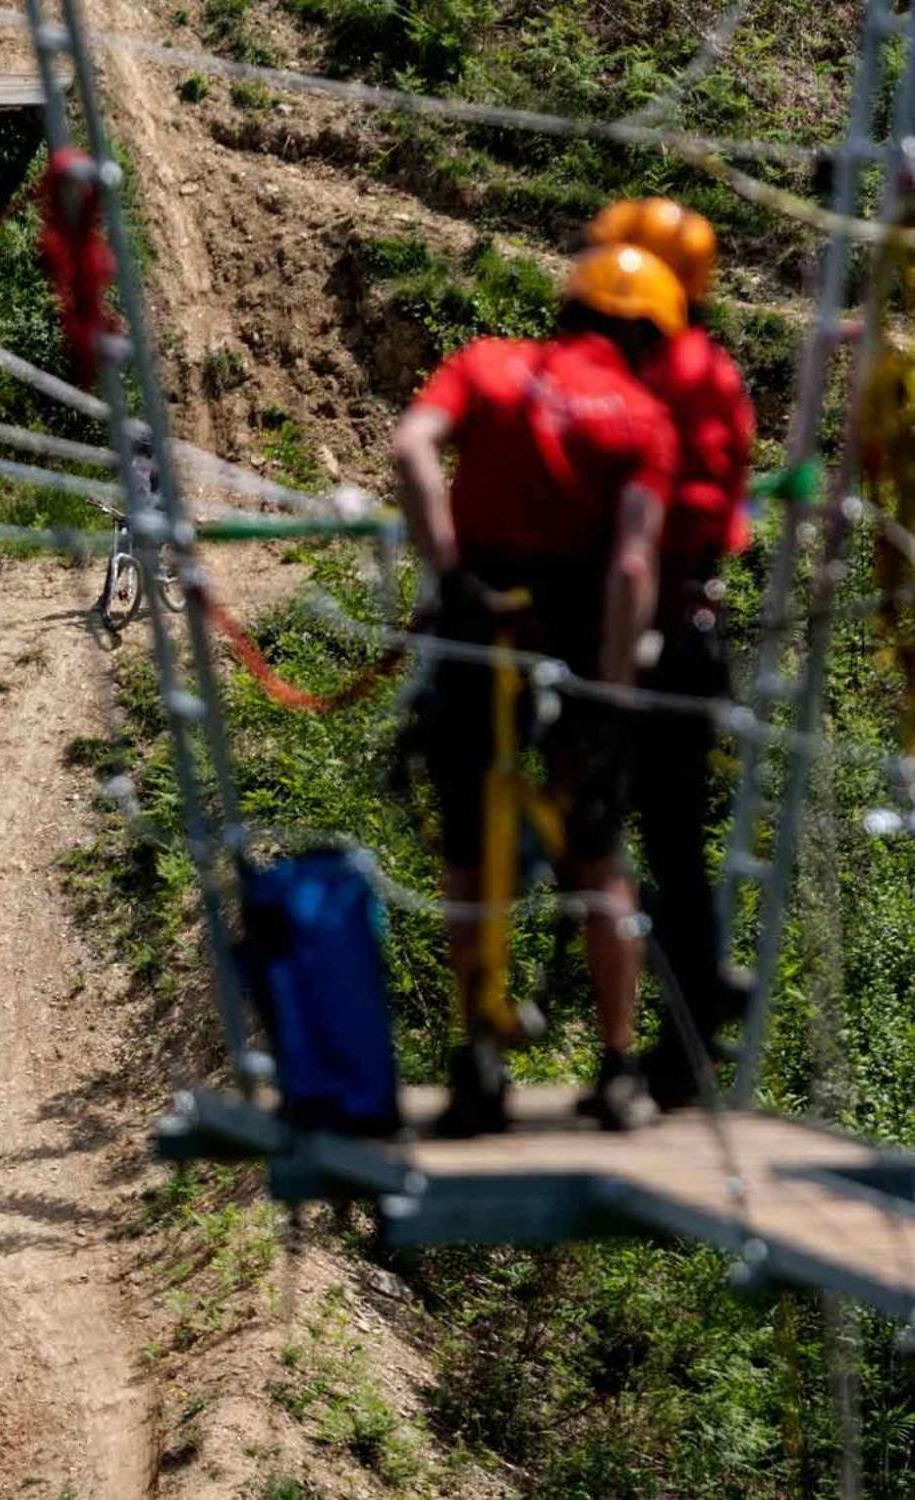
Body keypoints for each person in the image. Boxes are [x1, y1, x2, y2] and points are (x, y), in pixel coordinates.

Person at [391, 243, 684, 1136]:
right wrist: (619, 682)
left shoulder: (487, 364)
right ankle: (619, 1066)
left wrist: (447, 572)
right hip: (572, 644)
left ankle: (477, 1065)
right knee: (598, 863)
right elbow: (633, 565)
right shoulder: (643, 417)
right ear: (643, 337)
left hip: (478, 632)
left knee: (471, 855)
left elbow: (410, 448)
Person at [587, 199, 757, 1110]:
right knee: (675, 835)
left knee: (607, 833)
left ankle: (665, 1033)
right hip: (697, 620)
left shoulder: (649, 369)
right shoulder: (717, 367)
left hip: (635, 618)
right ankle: (694, 1015)